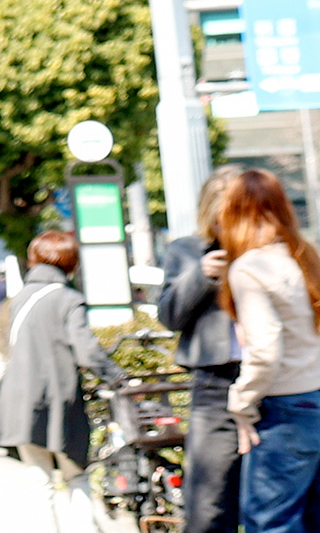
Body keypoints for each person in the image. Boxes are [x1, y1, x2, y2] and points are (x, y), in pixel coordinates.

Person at [220, 167, 320, 533]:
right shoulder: (306, 256)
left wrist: (241, 402)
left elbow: (264, 349)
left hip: (286, 408)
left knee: (271, 522)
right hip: (315, 396)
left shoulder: (249, 267)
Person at [0, 226, 114, 484]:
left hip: (18, 403)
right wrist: (117, 376)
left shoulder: (21, 298)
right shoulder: (68, 299)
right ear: (70, 262)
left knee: (39, 480)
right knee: (76, 478)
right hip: (57, 403)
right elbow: (86, 350)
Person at [162, 167, 252, 533]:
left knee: (281, 503)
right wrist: (201, 276)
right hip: (215, 384)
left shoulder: (271, 249)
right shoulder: (186, 251)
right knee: (208, 505)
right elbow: (169, 315)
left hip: (276, 383)